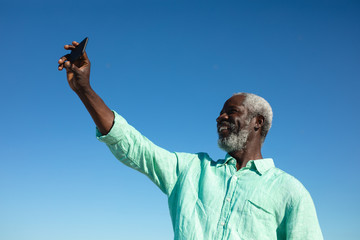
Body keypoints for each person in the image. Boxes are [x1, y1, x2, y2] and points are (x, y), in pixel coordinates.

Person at [58, 41, 323, 240]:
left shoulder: (290, 191)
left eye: (232, 112)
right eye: (220, 112)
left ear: (258, 122)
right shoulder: (190, 170)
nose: (221, 117)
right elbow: (134, 147)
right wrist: (84, 90)